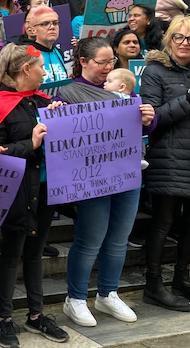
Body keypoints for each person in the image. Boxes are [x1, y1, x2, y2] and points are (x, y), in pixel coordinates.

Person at [56, 38, 156, 328]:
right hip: (92, 178)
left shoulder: (124, 88)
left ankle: (108, 292)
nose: (108, 67)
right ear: (84, 61)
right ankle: (75, 298)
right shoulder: (69, 91)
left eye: (111, 61)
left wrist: (149, 118)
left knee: (118, 238)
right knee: (90, 239)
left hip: (128, 173)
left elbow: (146, 128)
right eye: (102, 62)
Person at [0, 44, 69, 348]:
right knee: (11, 256)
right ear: (26, 70)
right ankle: (4, 319)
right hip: (16, 191)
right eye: (40, 67)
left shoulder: (45, 101)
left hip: (47, 188)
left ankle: (36, 314)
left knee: (35, 253)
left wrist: (63, 121)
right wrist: (29, 144)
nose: (45, 71)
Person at [141, 15, 190, 311]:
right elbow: (152, 119)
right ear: (168, 38)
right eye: (179, 37)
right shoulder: (154, 71)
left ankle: (182, 278)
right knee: (163, 223)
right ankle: (153, 284)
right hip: (167, 158)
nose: (185, 43)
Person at [23, 6, 68, 84]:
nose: (52, 27)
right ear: (33, 30)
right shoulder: (26, 54)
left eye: (55, 23)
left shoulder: (59, 52)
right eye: (45, 24)